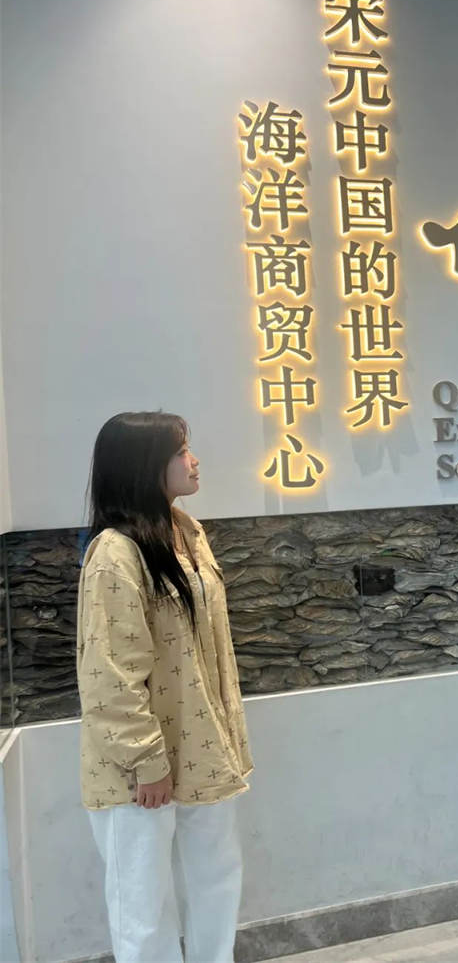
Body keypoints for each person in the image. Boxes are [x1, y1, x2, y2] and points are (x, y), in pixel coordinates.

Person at [76, 411, 254, 963]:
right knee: (143, 908)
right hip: (138, 770)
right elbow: (110, 672)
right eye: (180, 452)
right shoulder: (114, 553)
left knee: (217, 881)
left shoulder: (187, 531)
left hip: (202, 749)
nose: (194, 461)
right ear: (143, 465)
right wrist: (145, 759)